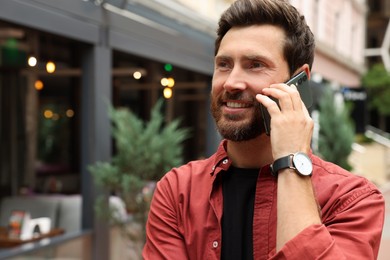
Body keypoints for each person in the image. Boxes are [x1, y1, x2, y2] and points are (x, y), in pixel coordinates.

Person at [143, 0, 385, 259]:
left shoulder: (352, 199)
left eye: (255, 64)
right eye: (224, 64)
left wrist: (292, 159)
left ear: (297, 82)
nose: (232, 82)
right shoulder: (178, 190)